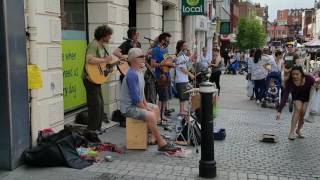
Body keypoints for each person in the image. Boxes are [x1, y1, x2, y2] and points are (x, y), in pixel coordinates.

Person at [120, 48, 179, 151]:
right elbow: (136, 99)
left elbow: (141, 95)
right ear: (133, 59)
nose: (144, 59)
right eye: (141, 57)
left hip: (136, 104)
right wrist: (146, 109)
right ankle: (161, 143)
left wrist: (147, 106)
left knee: (155, 108)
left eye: (144, 56)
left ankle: (153, 138)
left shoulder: (139, 72)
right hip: (128, 108)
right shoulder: (132, 75)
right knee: (151, 115)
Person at [83, 25, 114, 131]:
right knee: (95, 105)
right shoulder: (94, 44)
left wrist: (109, 68)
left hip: (96, 78)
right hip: (89, 78)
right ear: (103, 36)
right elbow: (90, 60)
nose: (110, 38)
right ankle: (92, 130)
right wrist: (105, 60)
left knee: (100, 104)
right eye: (109, 36)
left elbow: (101, 65)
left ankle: (97, 127)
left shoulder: (102, 46)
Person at [276, 65, 315, 140]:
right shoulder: (290, 82)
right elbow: (285, 97)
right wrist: (279, 111)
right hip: (297, 97)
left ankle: (298, 130)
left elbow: (316, 84)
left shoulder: (309, 78)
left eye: (297, 74)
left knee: (303, 112)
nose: (295, 76)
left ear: (301, 74)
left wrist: (317, 85)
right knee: (298, 109)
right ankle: (291, 132)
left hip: (307, 98)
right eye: (293, 74)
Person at [151, 32, 172, 121]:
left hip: (167, 74)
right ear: (163, 40)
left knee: (165, 96)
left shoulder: (165, 49)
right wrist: (161, 64)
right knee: (161, 96)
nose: (168, 42)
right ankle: (159, 115)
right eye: (167, 40)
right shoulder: (156, 50)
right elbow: (152, 64)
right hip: (160, 76)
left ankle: (162, 114)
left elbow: (167, 60)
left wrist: (171, 63)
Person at [174, 40, 196, 116]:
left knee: (187, 94)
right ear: (181, 47)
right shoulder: (180, 56)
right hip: (181, 79)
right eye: (185, 46)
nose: (187, 47)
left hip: (184, 79)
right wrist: (190, 74)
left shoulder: (183, 55)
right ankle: (181, 110)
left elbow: (189, 60)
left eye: (187, 45)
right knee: (182, 96)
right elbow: (182, 68)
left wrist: (192, 57)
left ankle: (183, 109)